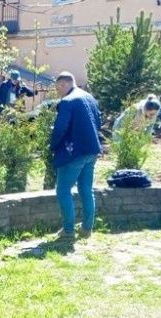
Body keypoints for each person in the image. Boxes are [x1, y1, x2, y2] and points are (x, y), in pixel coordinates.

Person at [50, 71, 102, 241]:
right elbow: (98, 122)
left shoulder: (67, 102)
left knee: (63, 190)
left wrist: (53, 146)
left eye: (59, 88)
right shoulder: (90, 98)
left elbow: (60, 128)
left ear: (64, 84)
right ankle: (87, 228)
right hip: (92, 150)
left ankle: (68, 230)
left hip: (74, 153)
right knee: (86, 189)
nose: (58, 92)